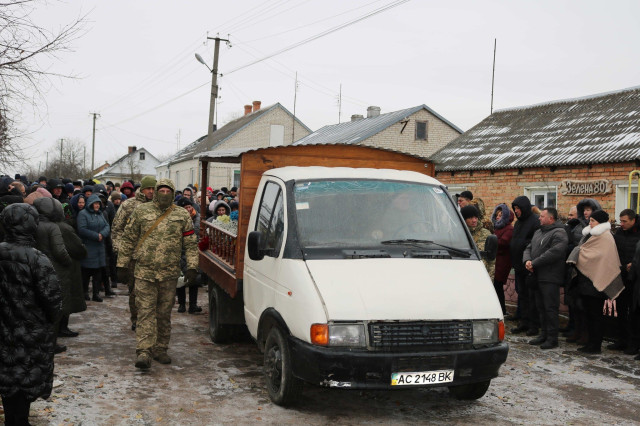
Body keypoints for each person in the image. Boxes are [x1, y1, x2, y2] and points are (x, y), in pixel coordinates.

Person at [116, 179, 198, 369]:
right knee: (145, 312)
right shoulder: (141, 211)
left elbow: (190, 243)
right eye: (161, 190)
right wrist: (122, 264)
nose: (164, 194)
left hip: (169, 274)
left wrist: (192, 266)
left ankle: (160, 348)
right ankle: (144, 351)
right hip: (144, 272)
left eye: (168, 191)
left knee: (163, 314)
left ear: (173, 193)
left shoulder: (181, 215)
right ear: (155, 192)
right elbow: (128, 239)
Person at [0, 204, 62, 426]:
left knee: (7, 374)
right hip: (30, 330)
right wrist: (50, 321)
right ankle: (20, 420)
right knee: (24, 375)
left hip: (4, 328)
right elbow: (52, 298)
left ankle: (11, 419)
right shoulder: (37, 258)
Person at [567, 209, 624, 354]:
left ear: (600, 222)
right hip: (586, 282)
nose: (590, 222)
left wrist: (579, 253)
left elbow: (600, 258)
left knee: (596, 316)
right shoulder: (590, 235)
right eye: (590, 220)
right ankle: (590, 343)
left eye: (593, 220)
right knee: (588, 315)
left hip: (597, 283)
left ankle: (595, 345)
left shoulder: (605, 237)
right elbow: (584, 250)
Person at [111, 175, 156, 331]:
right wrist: (120, 250)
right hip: (134, 257)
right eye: (148, 188)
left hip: (155, 256)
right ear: (142, 189)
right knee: (135, 290)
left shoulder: (161, 206)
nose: (151, 191)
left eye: (153, 189)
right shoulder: (129, 205)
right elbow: (117, 229)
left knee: (154, 290)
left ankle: (150, 319)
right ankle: (137, 319)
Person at [523, 207, 568, 349]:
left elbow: (554, 253)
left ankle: (552, 338)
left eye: (542, 216)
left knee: (550, 308)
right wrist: (527, 261)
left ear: (551, 218)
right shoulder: (538, 231)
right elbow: (528, 248)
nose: (539, 218)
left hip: (550, 277)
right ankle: (544, 334)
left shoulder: (560, 233)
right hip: (537, 275)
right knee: (540, 307)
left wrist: (534, 263)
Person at [33, 197, 73, 354]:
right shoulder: (52, 227)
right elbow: (60, 251)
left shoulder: (32, 224)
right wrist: (68, 262)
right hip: (53, 269)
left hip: (34, 268)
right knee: (54, 307)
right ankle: (51, 342)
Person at [610, 209, 640, 355]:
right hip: (620, 276)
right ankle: (621, 339)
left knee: (634, 313)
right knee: (620, 310)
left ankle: (634, 343)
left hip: (635, 279)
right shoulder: (619, 233)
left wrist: (633, 265)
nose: (621, 224)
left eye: (625, 221)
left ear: (633, 220)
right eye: (620, 221)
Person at [510, 196, 541, 336]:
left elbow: (535, 242)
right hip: (518, 265)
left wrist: (522, 245)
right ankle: (524, 321)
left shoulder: (535, 221)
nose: (516, 211)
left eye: (518, 208)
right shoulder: (518, 223)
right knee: (522, 295)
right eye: (515, 208)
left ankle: (534, 325)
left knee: (531, 297)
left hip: (529, 266)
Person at [77, 194, 111, 302]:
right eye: (95, 204)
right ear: (90, 204)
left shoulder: (100, 214)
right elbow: (82, 229)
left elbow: (107, 226)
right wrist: (96, 236)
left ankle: (96, 294)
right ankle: (84, 293)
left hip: (99, 248)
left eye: (98, 204)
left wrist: (102, 234)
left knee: (98, 272)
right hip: (88, 247)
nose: (97, 205)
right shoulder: (83, 214)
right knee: (86, 272)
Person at [175, 197, 202, 314]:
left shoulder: (198, 218)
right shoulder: (177, 220)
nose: (188, 209)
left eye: (189, 207)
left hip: (194, 251)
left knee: (194, 279)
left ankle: (193, 305)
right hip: (180, 252)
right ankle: (182, 304)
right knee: (181, 279)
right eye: (185, 207)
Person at [491, 203, 514, 316]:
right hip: (495, 261)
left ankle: (502, 310)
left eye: (500, 215)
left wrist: (491, 240)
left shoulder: (509, 228)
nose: (497, 217)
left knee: (498, 286)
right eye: (496, 215)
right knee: (495, 286)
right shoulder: (497, 228)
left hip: (502, 262)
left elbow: (503, 243)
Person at [461, 205, 495, 279]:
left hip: (481, 275)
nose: (474, 220)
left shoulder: (486, 234)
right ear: (464, 219)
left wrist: (490, 279)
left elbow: (492, 260)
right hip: (463, 274)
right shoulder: (459, 234)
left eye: (476, 217)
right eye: (470, 218)